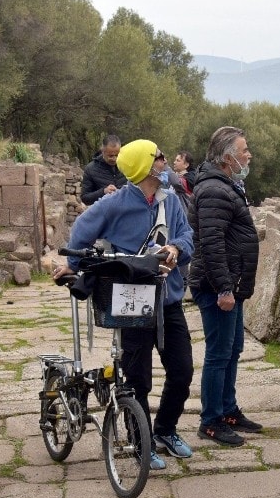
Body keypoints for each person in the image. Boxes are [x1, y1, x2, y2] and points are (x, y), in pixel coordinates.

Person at [55, 139, 195, 469]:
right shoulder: (115, 204)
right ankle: (139, 441)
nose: (165, 162)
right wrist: (73, 266)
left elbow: (187, 235)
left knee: (183, 370)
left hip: (168, 297)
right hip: (131, 299)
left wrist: (176, 247)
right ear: (147, 167)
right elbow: (82, 230)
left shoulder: (170, 201)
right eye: (160, 158)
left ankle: (165, 430)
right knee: (137, 378)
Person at [187, 126, 262, 446]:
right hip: (218, 285)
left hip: (231, 282)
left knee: (232, 350)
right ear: (227, 156)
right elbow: (213, 244)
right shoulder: (215, 190)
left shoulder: (226, 185)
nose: (248, 155)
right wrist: (224, 289)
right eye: (244, 150)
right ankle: (212, 421)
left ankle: (228, 410)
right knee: (219, 354)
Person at [80, 135, 126, 205]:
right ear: (103, 151)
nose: (114, 159)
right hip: (103, 214)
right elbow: (85, 198)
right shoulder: (90, 169)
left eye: (117, 155)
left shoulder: (127, 165)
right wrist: (103, 192)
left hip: (126, 212)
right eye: (110, 156)